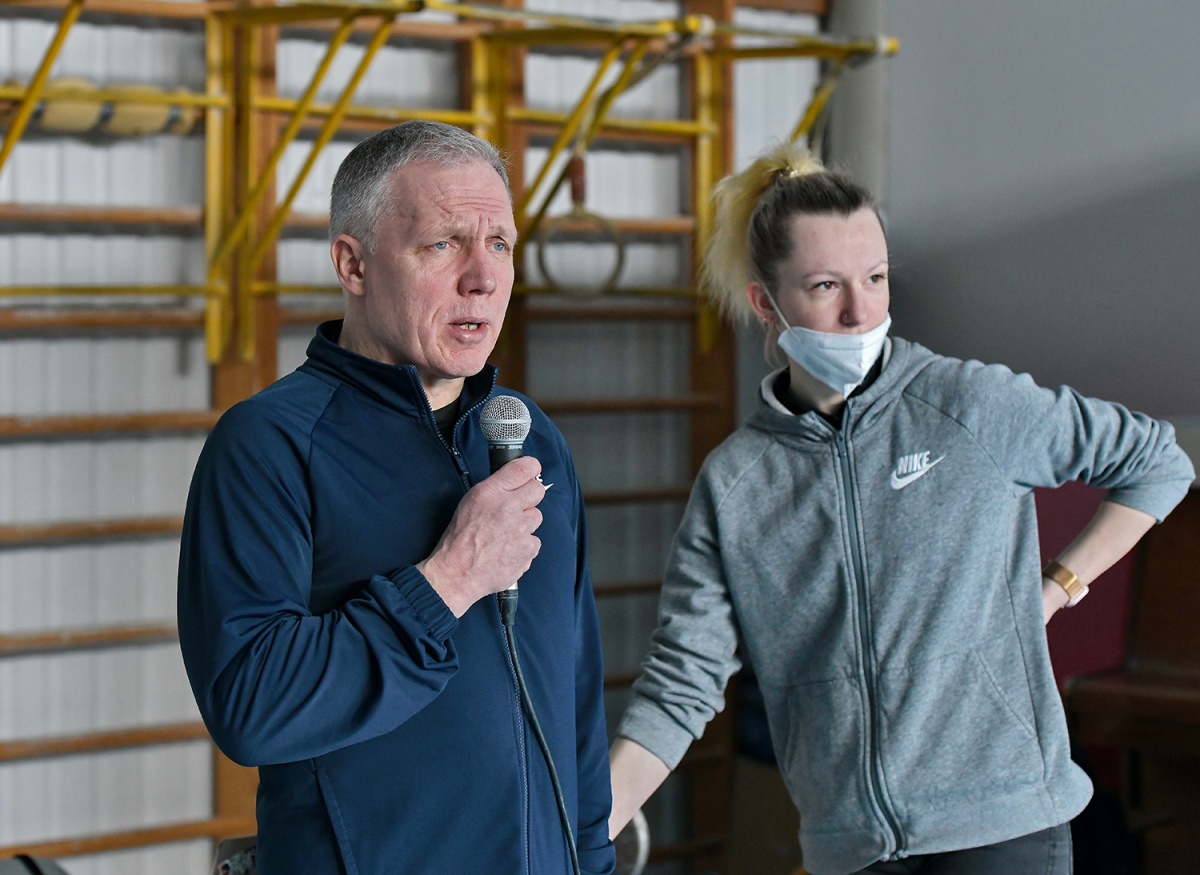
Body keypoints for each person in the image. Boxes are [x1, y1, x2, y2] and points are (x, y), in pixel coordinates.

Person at [607, 142, 1195, 875]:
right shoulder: (736, 483)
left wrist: (1056, 587)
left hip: (1004, 828)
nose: (860, 311)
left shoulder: (968, 404)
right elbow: (682, 679)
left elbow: (1158, 462)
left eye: (876, 278)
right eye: (825, 285)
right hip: (851, 847)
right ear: (765, 302)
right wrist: (593, 821)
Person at [178, 120, 615, 875]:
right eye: (443, 244)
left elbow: (574, 692)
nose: (483, 279)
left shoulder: (530, 437)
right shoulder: (268, 445)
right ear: (353, 264)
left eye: (500, 244)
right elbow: (252, 706)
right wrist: (446, 582)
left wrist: (594, 860)